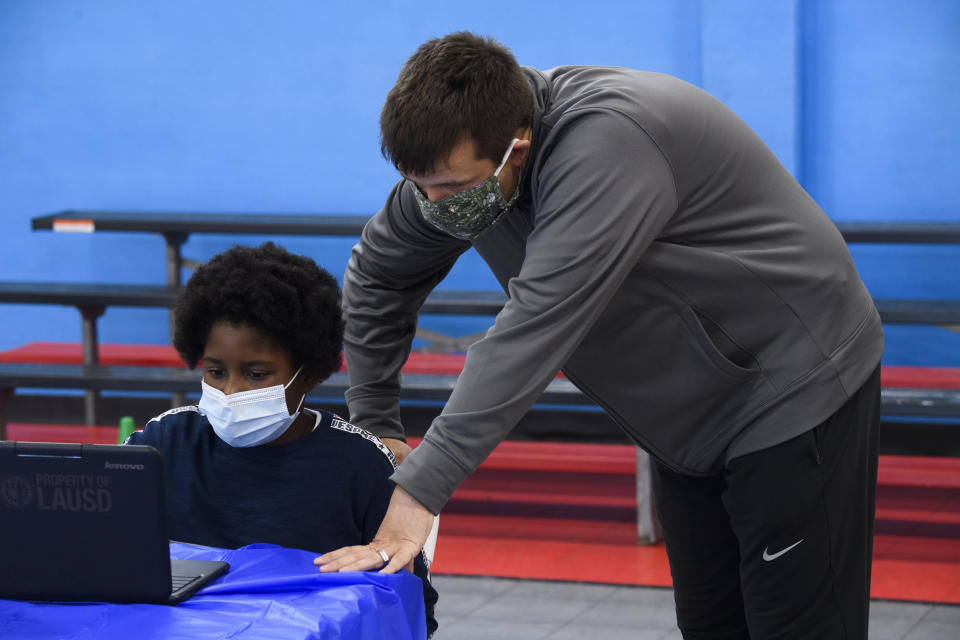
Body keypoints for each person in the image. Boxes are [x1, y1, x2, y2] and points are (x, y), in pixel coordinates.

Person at [315, 32, 885, 638]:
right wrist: (376, 424)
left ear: (517, 149)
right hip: (687, 414)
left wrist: (419, 492)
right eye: (418, 187)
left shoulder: (608, 142)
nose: (433, 206)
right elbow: (377, 277)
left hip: (794, 382)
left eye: (452, 190)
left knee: (795, 626)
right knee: (713, 624)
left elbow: (536, 325)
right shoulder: (455, 174)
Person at [125, 242, 438, 636]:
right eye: (216, 371)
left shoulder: (361, 464)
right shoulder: (165, 442)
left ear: (308, 375)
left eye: (256, 375)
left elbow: (411, 607)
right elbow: (102, 547)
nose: (231, 392)